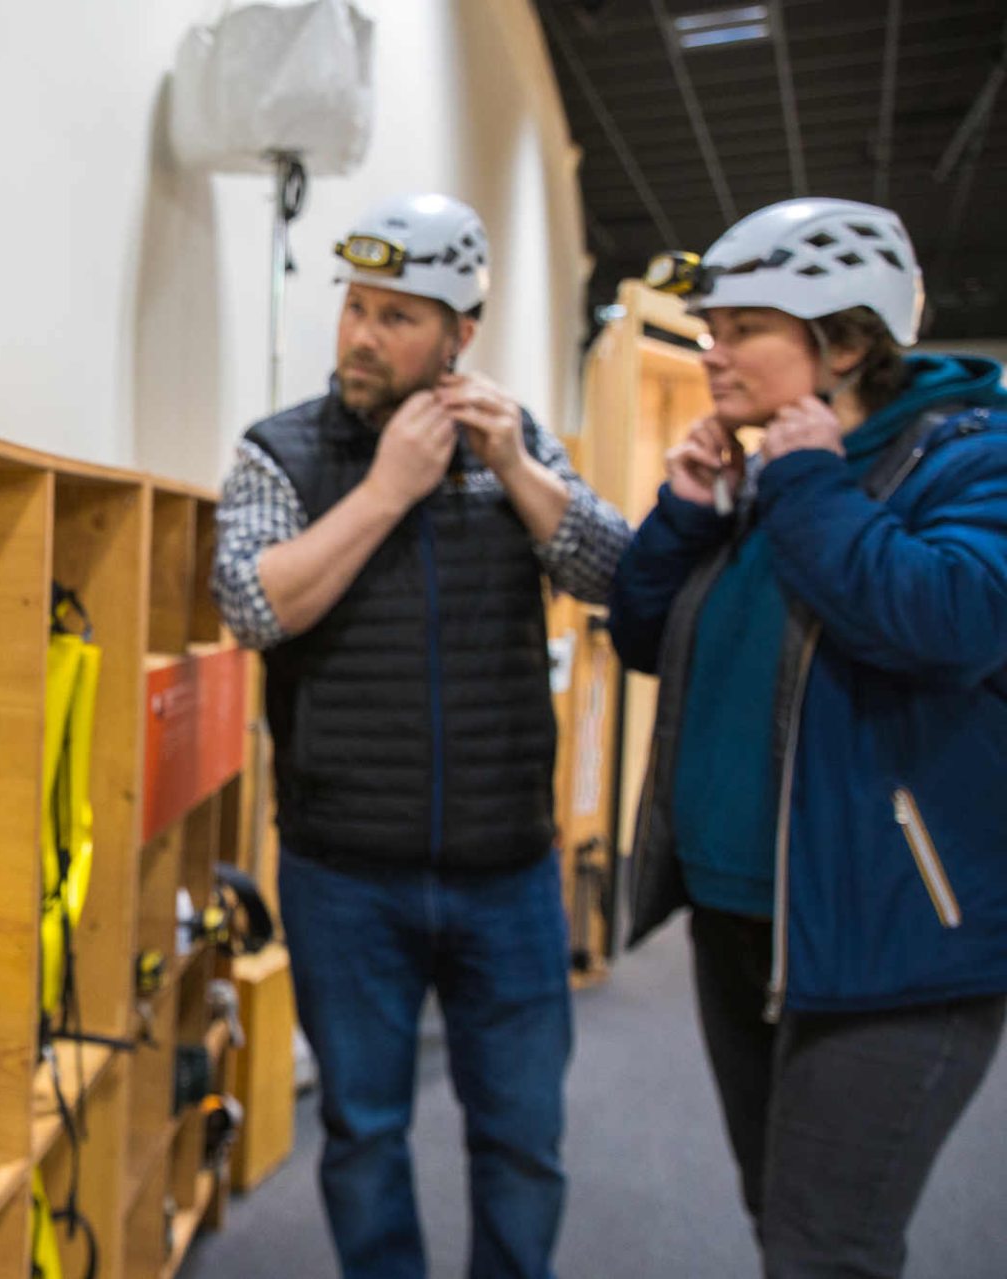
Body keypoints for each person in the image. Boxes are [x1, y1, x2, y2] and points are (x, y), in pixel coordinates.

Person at [212, 192, 632, 1279]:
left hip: (508, 874)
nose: (361, 334)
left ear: (460, 334)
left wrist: (519, 472)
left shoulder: (517, 445)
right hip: (345, 877)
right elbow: (255, 607)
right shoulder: (281, 453)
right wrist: (390, 491)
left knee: (524, 1140)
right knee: (362, 1136)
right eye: (355, 306)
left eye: (398, 316)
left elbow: (620, 580)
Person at [610, 197, 1007, 1277]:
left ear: (844, 339)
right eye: (712, 327)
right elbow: (649, 639)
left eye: (744, 328)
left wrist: (810, 484)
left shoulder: (972, 458)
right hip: (746, 920)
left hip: (897, 943)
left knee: (825, 1247)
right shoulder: (772, 468)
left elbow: (953, 619)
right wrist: (689, 510)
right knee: (778, 1212)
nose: (713, 352)